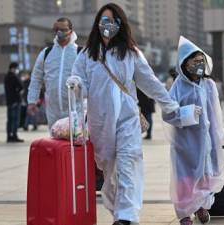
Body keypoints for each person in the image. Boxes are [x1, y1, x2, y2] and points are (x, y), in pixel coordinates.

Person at [66, 4, 190, 225]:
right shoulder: (86, 55)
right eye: (104, 20)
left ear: (120, 25)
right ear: (97, 24)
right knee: (110, 173)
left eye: (113, 21)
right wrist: (75, 84)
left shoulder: (131, 53)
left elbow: (149, 82)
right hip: (100, 122)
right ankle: (120, 214)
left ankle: (127, 216)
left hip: (127, 119)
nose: (108, 25)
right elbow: (80, 83)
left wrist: (170, 105)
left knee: (128, 164)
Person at [162, 36, 224, 225]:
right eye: (194, 60)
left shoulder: (209, 85)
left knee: (205, 177)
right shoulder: (178, 87)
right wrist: (187, 113)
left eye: (201, 60)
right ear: (184, 63)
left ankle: (199, 207)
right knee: (185, 180)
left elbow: (215, 114)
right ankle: (184, 214)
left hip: (207, 141)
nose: (199, 64)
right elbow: (168, 114)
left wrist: (217, 137)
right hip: (185, 144)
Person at [28, 17, 80, 129]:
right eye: (56, 29)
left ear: (71, 31)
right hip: (53, 111)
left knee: (75, 143)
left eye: (63, 29)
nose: (59, 32)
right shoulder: (46, 53)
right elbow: (36, 79)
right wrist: (32, 101)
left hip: (76, 110)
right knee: (56, 143)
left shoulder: (80, 53)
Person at [4, 62, 24, 142]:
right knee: (15, 119)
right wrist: (18, 92)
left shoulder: (6, 77)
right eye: (16, 68)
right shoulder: (13, 76)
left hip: (9, 101)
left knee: (10, 119)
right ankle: (14, 135)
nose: (17, 70)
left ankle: (9, 135)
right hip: (15, 100)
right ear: (13, 68)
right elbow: (21, 86)